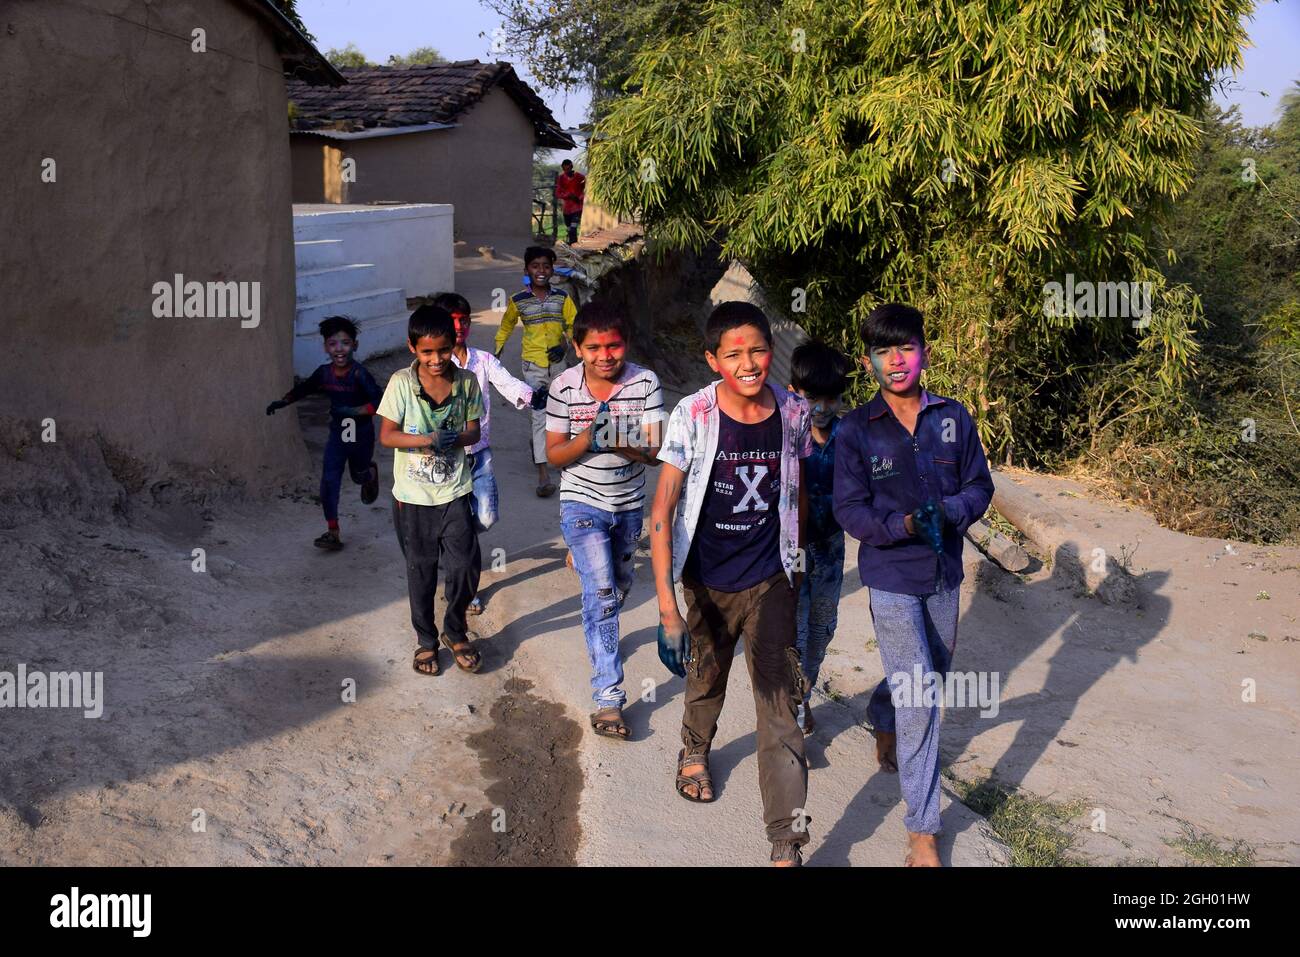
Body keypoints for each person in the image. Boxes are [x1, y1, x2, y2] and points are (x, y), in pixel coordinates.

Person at [650, 301, 813, 866]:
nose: (749, 363)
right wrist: (669, 609)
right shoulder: (692, 414)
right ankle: (694, 749)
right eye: (734, 353)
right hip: (706, 581)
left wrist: (801, 561)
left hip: (771, 579)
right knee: (707, 675)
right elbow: (662, 512)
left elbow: (801, 486)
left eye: (759, 350)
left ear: (772, 349)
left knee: (779, 709)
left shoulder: (794, 411)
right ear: (712, 359)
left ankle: (786, 841)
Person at [832, 303, 994, 867]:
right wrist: (900, 525)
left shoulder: (954, 418)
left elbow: (980, 486)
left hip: (945, 571)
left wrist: (949, 512)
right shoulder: (856, 430)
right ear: (867, 360)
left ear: (924, 350)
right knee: (922, 696)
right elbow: (849, 510)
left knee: (930, 674)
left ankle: (882, 716)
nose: (896, 361)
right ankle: (922, 827)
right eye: (883, 351)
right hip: (890, 575)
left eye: (905, 348)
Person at [545, 301, 664, 740]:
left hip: (629, 503)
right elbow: (555, 455)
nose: (604, 355)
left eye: (613, 346)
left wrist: (615, 437)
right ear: (578, 348)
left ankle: (590, 566)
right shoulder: (564, 387)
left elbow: (654, 454)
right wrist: (585, 439)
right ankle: (609, 699)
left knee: (621, 584)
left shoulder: (646, 382)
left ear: (625, 345)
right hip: (581, 503)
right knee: (602, 597)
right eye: (593, 347)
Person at [377, 304, 486, 677]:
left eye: (443, 350)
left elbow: (475, 431)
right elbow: (387, 435)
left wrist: (457, 437)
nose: (436, 359)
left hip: (455, 491)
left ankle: (455, 630)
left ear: (453, 344)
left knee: (464, 565)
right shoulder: (401, 384)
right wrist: (426, 439)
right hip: (413, 498)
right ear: (412, 349)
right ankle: (426, 640)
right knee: (420, 570)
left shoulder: (468, 382)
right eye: (427, 352)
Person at [434, 292, 548, 615]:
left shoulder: (483, 361)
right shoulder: (434, 366)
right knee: (462, 533)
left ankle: (454, 540)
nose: (459, 327)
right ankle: (465, 590)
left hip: (480, 456)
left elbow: (508, 382)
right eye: (452, 322)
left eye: (464, 321)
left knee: (485, 517)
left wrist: (531, 395)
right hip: (447, 461)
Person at [266, 316, 381, 551]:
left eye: (346, 343)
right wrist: (283, 401)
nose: (339, 349)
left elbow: (380, 401)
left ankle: (369, 474)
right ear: (325, 347)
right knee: (329, 481)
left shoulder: (360, 374)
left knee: (358, 475)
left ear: (355, 345)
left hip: (361, 434)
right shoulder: (323, 373)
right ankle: (332, 531)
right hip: (338, 436)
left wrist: (355, 410)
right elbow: (304, 389)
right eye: (333, 343)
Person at [788, 340, 853, 735]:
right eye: (813, 396)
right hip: (791, 549)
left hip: (831, 548)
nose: (823, 408)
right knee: (793, 629)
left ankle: (803, 695)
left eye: (833, 398)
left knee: (821, 627)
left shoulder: (851, 437)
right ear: (795, 390)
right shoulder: (782, 434)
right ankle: (792, 716)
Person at [494, 245, 577, 498]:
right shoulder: (517, 301)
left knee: (563, 411)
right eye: (535, 266)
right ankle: (543, 474)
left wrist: (565, 345)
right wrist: (496, 353)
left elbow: (574, 324)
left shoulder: (562, 298)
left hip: (559, 364)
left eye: (546, 266)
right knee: (540, 414)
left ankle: (558, 453)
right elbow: (506, 326)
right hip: (533, 366)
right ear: (527, 270)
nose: (541, 271)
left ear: (552, 270)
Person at [555, 159, 586, 244]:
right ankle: (572, 247)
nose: (566, 171)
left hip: (577, 208)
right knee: (569, 230)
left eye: (568, 169)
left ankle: (573, 247)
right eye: (564, 169)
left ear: (571, 167)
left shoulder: (580, 177)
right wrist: (568, 195)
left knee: (573, 228)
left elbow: (586, 190)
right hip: (566, 210)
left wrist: (579, 198)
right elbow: (557, 193)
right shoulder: (561, 178)